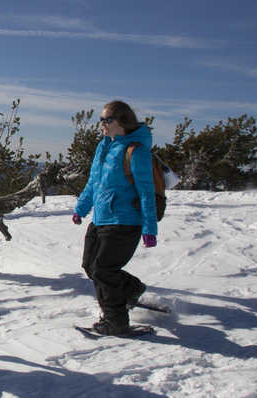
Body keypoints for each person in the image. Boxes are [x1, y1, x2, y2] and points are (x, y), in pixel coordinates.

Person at [72, 100, 158, 335]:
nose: (102, 124)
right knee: (90, 266)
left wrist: (150, 228)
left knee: (104, 269)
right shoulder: (104, 147)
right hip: (101, 218)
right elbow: (94, 183)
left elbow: (146, 192)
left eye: (106, 120)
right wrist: (80, 209)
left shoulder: (136, 151)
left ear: (122, 121)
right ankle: (131, 289)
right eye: (101, 119)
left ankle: (116, 321)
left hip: (124, 221)